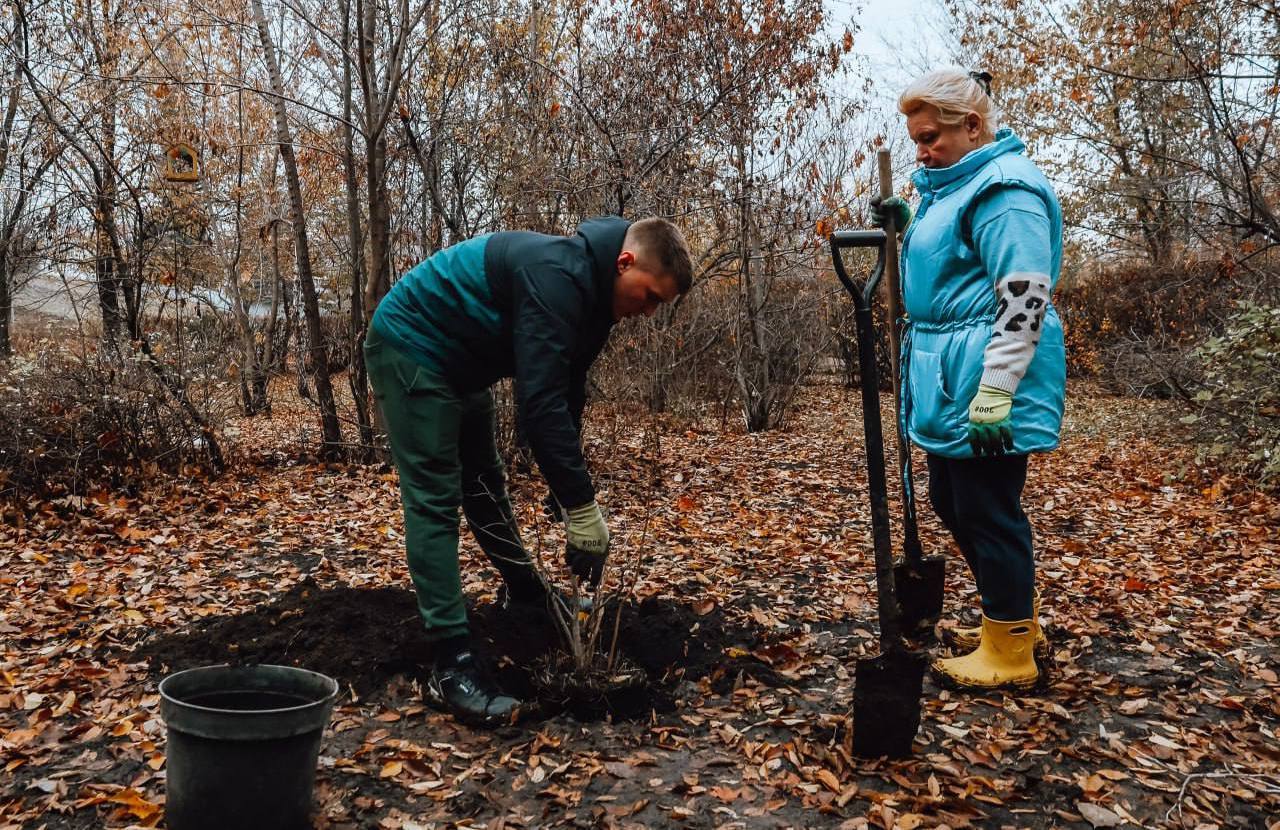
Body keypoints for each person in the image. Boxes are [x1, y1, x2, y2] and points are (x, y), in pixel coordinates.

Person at [364, 216, 693, 725]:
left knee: (485, 486)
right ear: (625, 263)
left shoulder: (594, 298)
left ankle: (527, 594)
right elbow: (537, 406)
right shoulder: (556, 276)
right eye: (649, 296)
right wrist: (583, 506)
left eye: (658, 305)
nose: (648, 312)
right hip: (413, 345)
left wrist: (565, 493)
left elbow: (566, 391)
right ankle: (451, 664)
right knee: (435, 500)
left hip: (463, 362)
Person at [871, 68, 1065, 691]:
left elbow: (1024, 296)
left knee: (988, 511)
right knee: (954, 503)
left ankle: (1012, 653)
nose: (922, 150)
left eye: (930, 137)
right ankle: (1007, 622)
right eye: (915, 140)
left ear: (973, 126)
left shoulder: (1005, 193)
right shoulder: (957, 188)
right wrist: (910, 218)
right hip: (951, 373)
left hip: (985, 378)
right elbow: (949, 262)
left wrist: (998, 388)